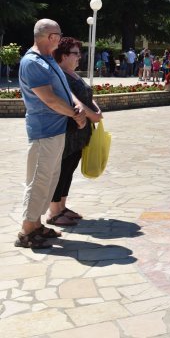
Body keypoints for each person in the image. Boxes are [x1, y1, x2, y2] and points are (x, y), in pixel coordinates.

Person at [16, 19, 87, 249]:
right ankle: (27, 231)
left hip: (54, 132)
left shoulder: (47, 59)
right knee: (39, 182)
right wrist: (74, 114)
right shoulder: (33, 62)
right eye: (58, 34)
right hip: (43, 133)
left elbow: (61, 92)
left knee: (48, 181)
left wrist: (74, 108)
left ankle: (36, 225)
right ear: (51, 37)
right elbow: (48, 99)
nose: (60, 37)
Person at [46, 37, 104, 227]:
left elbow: (86, 96)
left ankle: (62, 206)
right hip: (70, 129)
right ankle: (54, 212)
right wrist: (93, 116)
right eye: (75, 53)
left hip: (81, 130)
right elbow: (74, 101)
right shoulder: (60, 75)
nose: (80, 57)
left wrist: (95, 109)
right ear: (63, 56)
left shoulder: (72, 73)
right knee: (61, 169)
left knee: (70, 168)